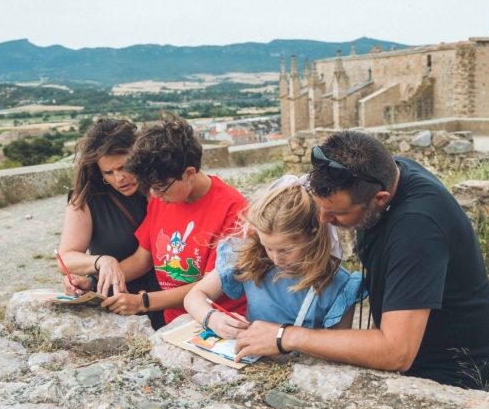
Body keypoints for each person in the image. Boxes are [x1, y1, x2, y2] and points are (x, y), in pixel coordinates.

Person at [235, 130, 489, 391]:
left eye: (337, 213)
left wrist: (286, 336)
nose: (324, 220)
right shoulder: (386, 173)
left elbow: (396, 352)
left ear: (379, 199)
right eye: (322, 207)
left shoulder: (417, 231)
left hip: (460, 367)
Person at [98, 112, 248, 330]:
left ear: (189, 174)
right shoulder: (162, 199)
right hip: (175, 324)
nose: (155, 196)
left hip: (221, 323)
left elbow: (209, 287)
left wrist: (143, 302)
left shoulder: (232, 207)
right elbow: (142, 259)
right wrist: (95, 281)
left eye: (160, 188)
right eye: (151, 188)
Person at [183, 175, 363, 339]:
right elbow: (194, 296)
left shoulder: (339, 285)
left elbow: (339, 347)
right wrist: (213, 318)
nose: (276, 260)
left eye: (286, 250)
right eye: (268, 247)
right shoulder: (252, 257)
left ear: (312, 234)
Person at [58, 118, 161, 320]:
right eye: (108, 173)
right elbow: (65, 259)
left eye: (124, 167)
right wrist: (100, 263)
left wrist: (93, 281)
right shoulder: (87, 198)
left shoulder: (161, 187)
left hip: (167, 293)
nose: (119, 179)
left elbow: (144, 261)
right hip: (118, 299)